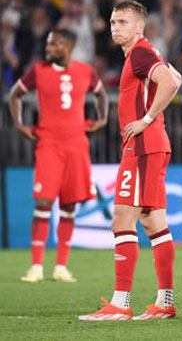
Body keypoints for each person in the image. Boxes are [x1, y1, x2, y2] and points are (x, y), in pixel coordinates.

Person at [79, 0, 182, 321]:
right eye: (112, 22)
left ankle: (121, 304)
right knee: (154, 223)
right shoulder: (144, 52)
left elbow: (167, 82)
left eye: (122, 22)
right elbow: (175, 79)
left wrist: (147, 119)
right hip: (153, 147)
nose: (114, 27)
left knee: (122, 220)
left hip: (142, 147)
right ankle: (165, 302)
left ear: (139, 27)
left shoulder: (139, 52)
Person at [9, 29, 108, 283]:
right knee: (43, 202)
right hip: (49, 144)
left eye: (54, 44)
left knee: (69, 205)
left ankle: (61, 266)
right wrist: (20, 125)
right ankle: (36, 266)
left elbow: (101, 94)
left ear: (68, 46)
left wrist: (102, 119)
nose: (48, 47)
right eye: (48, 43)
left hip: (77, 144)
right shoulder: (38, 71)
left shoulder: (85, 71)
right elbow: (15, 94)